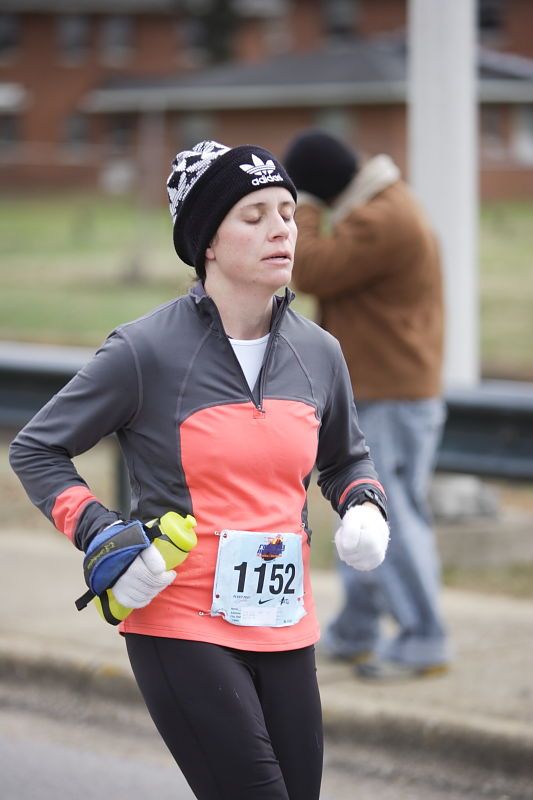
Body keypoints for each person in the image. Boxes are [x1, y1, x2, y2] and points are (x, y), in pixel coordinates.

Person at [9, 139, 390, 800]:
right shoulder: (145, 350)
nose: (281, 229)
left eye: (288, 212)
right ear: (207, 240)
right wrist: (98, 530)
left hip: (284, 621)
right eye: (254, 216)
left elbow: (345, 457)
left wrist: (363, 504)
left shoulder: (319, 352)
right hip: (178, 617)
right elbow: (36, 449)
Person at [283, 129, 450, 681]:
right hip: (381, 391)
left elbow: (307, 267)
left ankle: (423, 639)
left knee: (390, 516)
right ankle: (357, 629)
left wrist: (302, 205)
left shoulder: (382, 219)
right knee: (364, 513)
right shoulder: (382, 206)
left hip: (392, 395)